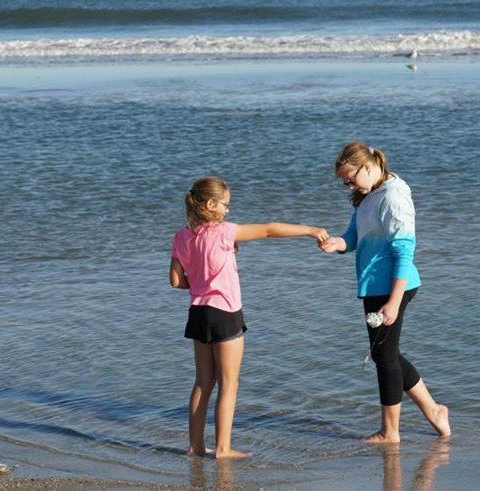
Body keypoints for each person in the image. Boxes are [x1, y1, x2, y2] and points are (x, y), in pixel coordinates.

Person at [170, 176, 328, 458]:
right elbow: (268, 230)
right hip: (225, 313)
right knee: (229, 384)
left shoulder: (182, 237)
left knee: (202, 383)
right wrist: (309, 229)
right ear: (211, 204)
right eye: (226, 205)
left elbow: (175, 281)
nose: (228, 210)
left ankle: (195, 447)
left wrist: (200, 284)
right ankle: (223, 448)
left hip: (198, 313)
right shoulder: (224, 232)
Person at [320, 142, 450, 444]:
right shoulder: (367, 196)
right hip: (374, 286)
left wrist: (393, 301)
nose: (349, 185)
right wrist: (337, 244)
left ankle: (390, 432)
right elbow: (353, 237)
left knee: (385, 357)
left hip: (394, 285)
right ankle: (433, 410)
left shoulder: (393, 195)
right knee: (385, 354)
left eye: (351, 179)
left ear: (368, 167)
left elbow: (405, 249)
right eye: (345, 182)